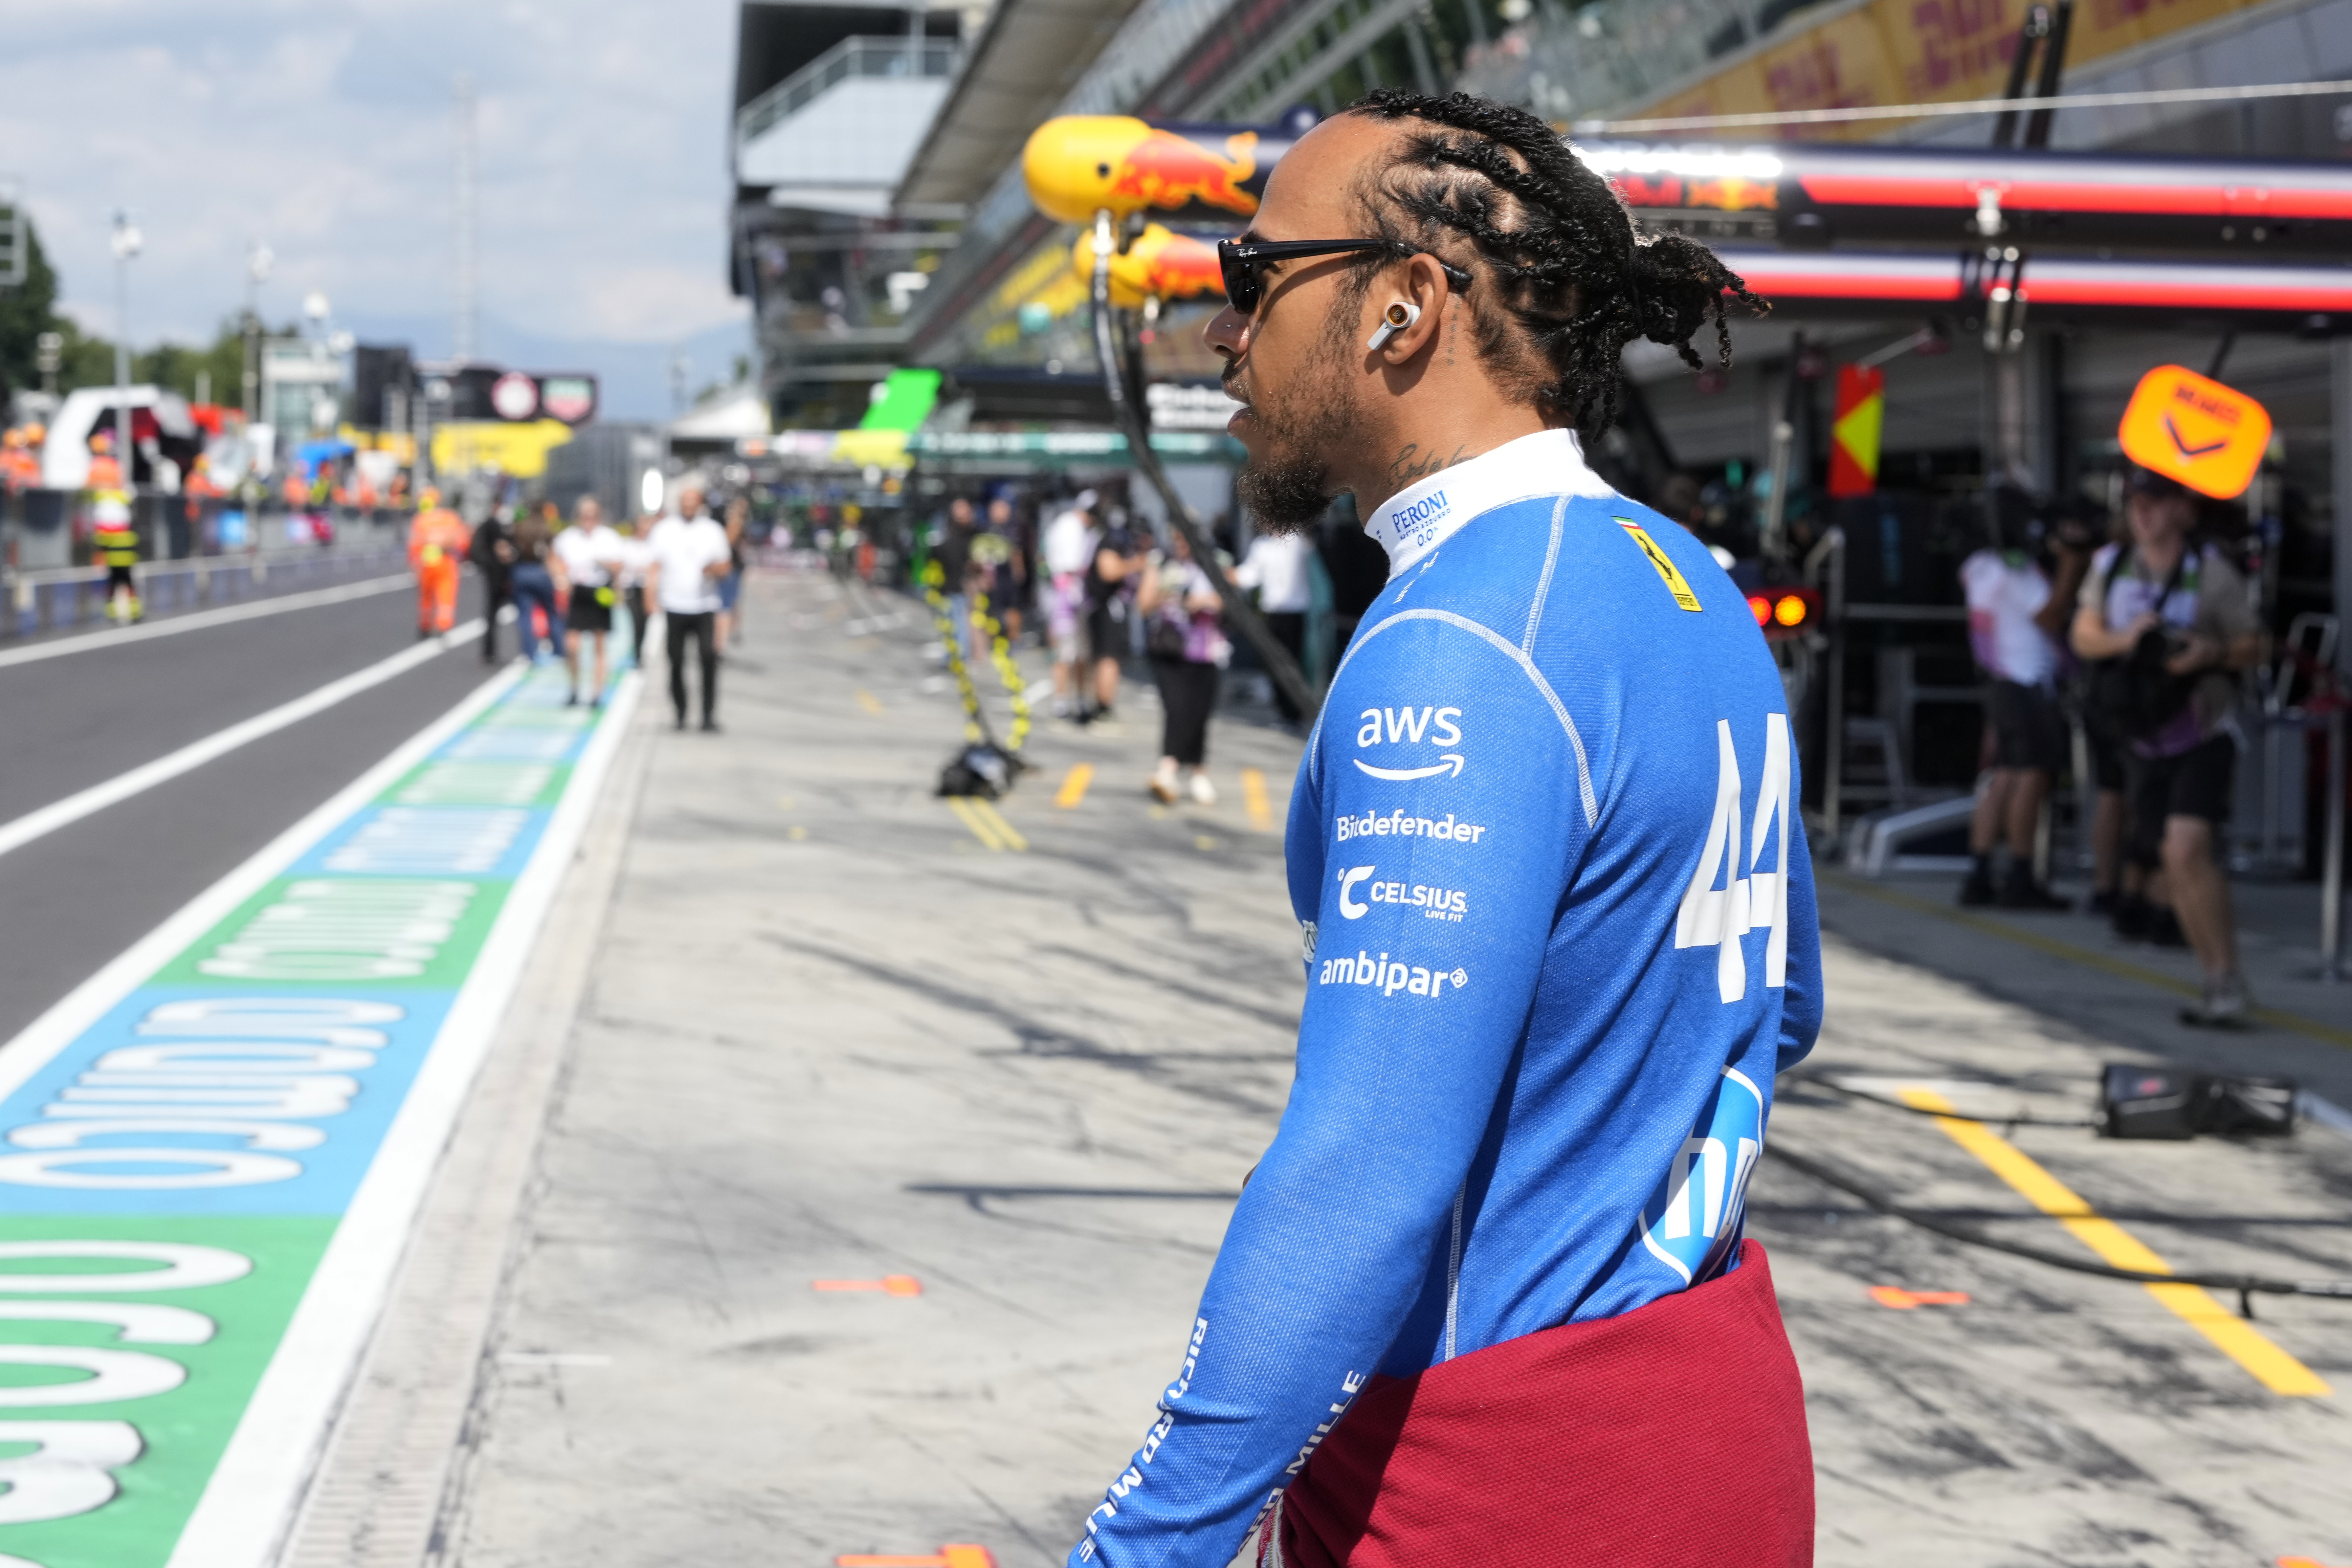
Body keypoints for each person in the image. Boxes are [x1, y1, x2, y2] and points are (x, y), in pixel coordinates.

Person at [1068, 91, 1817, 1568]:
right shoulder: (1678, 577)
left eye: (1250, 276)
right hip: (1710, 1415)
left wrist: (1133, 1552)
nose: (1223, 333)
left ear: (1401, 309)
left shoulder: (1462, 643)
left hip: (1502, 1472)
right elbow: (1776, 1007)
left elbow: (1361, 1179)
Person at [2070, 466, 2262, 1026]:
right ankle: (2215, 980)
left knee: (2185, 851)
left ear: (2183, 509)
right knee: (2168, 865)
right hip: (2140, 736)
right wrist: (2125, 639)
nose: (2142, 512)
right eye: (2136, 502)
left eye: (2155, 502)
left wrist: (2209, 654)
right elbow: (2083, 635)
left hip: (2201, 731)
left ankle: (2226, 976)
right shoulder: (2110, 566)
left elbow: (2253, 646)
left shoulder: (2211, 574)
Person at [1958, 494, 2089, 909]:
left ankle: (1979, 873)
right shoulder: (2019, 571)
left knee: (2003, 777)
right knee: (2031, 778)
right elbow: (2049, 616)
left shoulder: (1978, 566)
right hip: (2029, 684)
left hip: (2000, 682)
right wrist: (2071, 565)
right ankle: (2020, 874)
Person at [1136, 526, 1231, 804]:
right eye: (1177, 536)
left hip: (1207, 648)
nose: (1181, 543)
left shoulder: (1218, 561)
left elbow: (1231, 599)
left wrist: (1203, 601)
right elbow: (1143, 605)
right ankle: (1169, 768)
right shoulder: (1161, 562)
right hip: (1170, 648)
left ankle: (1196, 771)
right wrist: (1168, 593)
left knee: (1199, 712)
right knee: (1177, 708)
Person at [646, 477, 731, 731]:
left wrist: (713, 570)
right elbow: (654, 566)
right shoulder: (664, 530)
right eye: (685, 501)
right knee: (676, 660)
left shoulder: (712, 530)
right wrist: (650, 598)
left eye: (693, 501)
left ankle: (707, 715)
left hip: (705, 604)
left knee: (708, 658)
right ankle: (681, 712)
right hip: (675, 604)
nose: (689, 506)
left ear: (700, 504)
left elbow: (725, 566)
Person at [1232, 514, 1315, 721]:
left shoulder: (1296, 540)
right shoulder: (1261, 547)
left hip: (1295, 612)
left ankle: (1295, 711)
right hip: (1272, 613)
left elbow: (1308, 545)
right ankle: (1282, 709)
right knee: (1273, 663)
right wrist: (1228, 574)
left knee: (1293, 662)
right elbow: (1250, 576)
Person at [551, 496, 626, 707]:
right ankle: (574, 689)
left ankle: (597, 693)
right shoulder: (568, 537)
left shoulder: (609, 538)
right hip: (578, 593)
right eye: (585, 515)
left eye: (593, 515)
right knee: (572, 645)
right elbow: (554, 558)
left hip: (600, 592)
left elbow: (619, 566)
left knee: (600, 645)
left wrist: (602, 562)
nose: (589, 519)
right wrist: (561, 578)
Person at [1040, 489, 1103, 718]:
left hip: (1066, 596)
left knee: (1074, 652)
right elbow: (1073, 565)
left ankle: (1072, 699)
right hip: (1068, 598)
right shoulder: (1072, 527)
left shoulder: (1065, 524)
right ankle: (1067, 699)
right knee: (1070, 652)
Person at [1083, 505, 1142, 721]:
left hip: (1105, 608)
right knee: (1109, 657)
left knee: (1107, 658)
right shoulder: (1110, 541)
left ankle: (1101, 705)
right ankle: (1103, 707)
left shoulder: (1109, 540)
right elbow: (1109, 571)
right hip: (1107, 608)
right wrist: (1137, 564)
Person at [407, 487, 470, 639]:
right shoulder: (450, 517)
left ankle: (425, 625)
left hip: (427, 561)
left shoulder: (422, 519)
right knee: (446, 594)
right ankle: (444, 624)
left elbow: (414, 544)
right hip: (446, 560)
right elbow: (462, 541)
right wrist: (463, 557)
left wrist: (413, 564)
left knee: (426, 596)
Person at [503, 503, 562, 663]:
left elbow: (508, 551)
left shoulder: (520, 529)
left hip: (521, 571)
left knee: (525, 614)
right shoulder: (545, 529)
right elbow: (553, 552)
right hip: (541, 570)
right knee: (552, 612)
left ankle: (530, 652)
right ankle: (559, 649)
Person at [468, 503, 517, 665]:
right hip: (499, 575)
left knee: (496, 614)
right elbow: (477, 551)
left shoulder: (509, 525)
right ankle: (490, 652)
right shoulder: (491, 526)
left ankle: (491, 652)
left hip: (504, 575)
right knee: (494, 615)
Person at [618, 509, 657, 670]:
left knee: (644, 623)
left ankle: (640, 651)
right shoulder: (627, 544)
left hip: (648, 590)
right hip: (631, 589)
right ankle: (636, 655)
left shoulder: (654, 545)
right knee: (635, 622)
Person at [716, 495, 750, 653]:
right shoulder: (733, 524)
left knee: (727, 607)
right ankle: (720, 643)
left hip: (732, 570)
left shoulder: (737, 524)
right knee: (726, 607)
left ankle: (720, 644)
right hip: (730, 570)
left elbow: (729, 543)